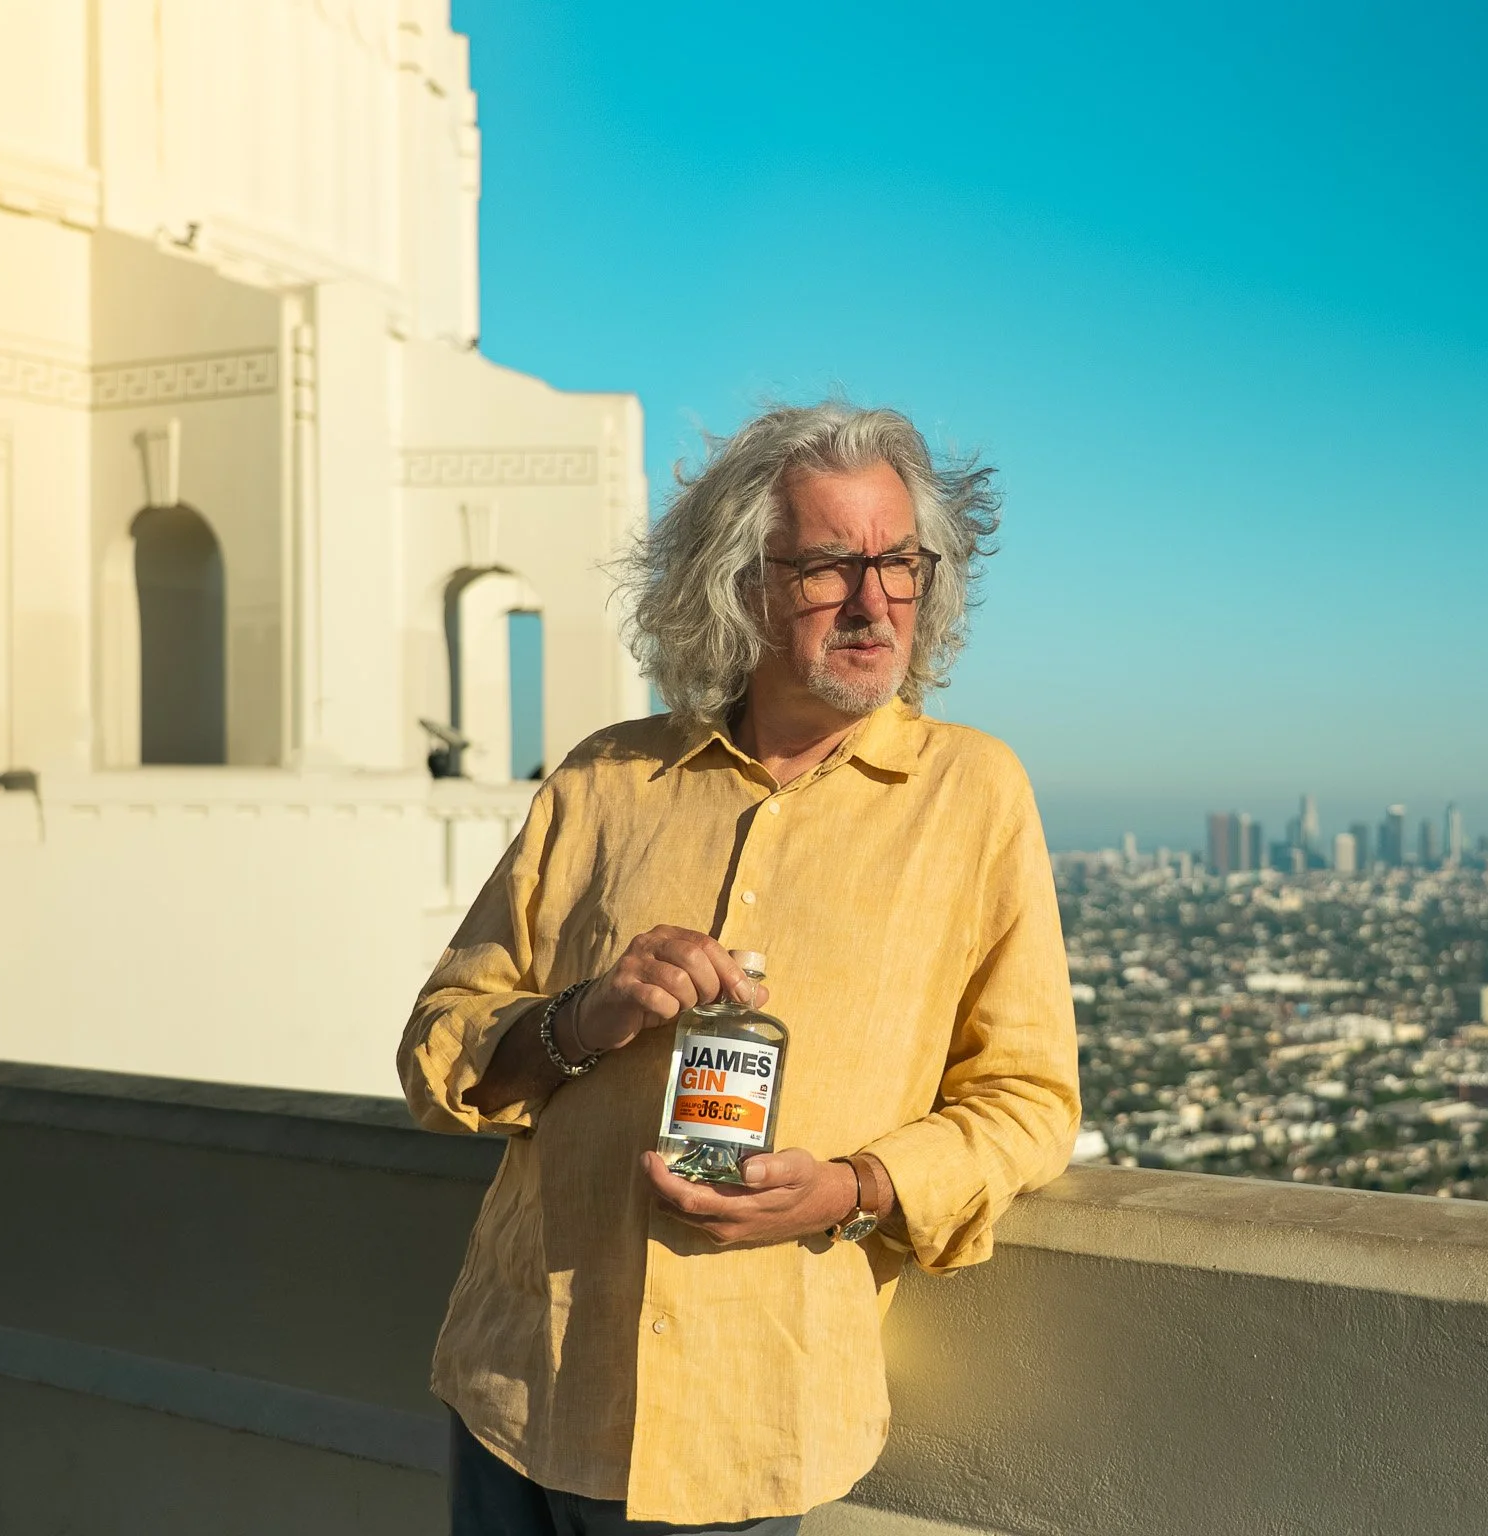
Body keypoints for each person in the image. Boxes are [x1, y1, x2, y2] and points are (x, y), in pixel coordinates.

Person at [398, 402, 1080, 1536]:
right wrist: (586, 1017)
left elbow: (1028, 1099)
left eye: (898, 563)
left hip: (743, 1431)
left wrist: (854, 1191)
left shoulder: (972, 797)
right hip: (523, 1387)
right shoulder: (605, 780)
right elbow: (441, 1046)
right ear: (739, 583)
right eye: (826, 566)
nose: (873, 602)